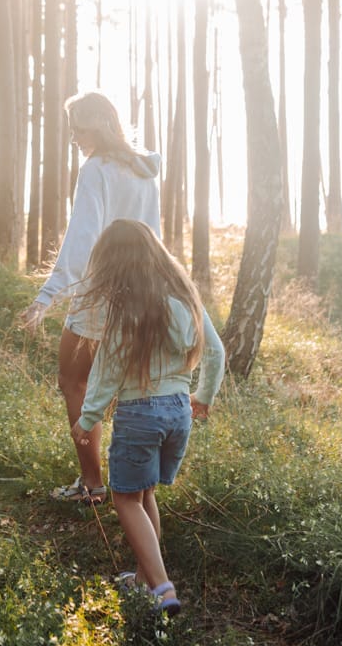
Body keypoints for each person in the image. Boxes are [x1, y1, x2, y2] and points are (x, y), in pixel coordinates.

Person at [70, 218, 225, 616]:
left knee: (125, 498)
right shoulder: (186, 297)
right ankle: (143, 579)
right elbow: (216, 352)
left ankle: (162, 587)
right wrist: (203, 396)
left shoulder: (129, 307)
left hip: (141, 413)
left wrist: (87, 419)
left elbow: (108, 368)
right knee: (146, 492)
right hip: (179, 411)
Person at [20, 91, 161, 505]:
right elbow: (152, 233)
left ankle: (93, 483)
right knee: (129, 388)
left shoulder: (95, 169)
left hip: (101, 291)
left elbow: (83, 239)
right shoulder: (144, 169)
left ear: (98, 125)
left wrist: (46, 298)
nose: (74, 138)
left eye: (77, 128)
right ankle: (135, 488)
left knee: (74, 381)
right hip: (143, 290)